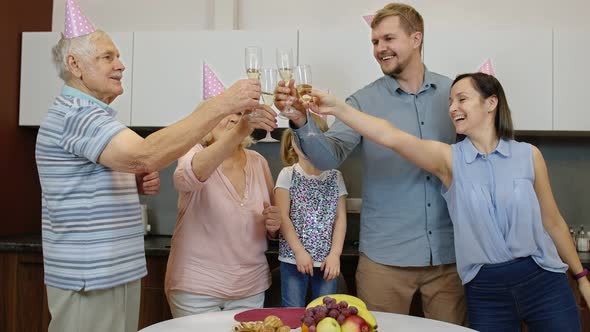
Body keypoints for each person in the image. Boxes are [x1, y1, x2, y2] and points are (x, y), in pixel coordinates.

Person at [36, 4, 276, 330]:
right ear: (75, 65)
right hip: (89, 276)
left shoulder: (97, 118)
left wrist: (127, 181)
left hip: (111, 271)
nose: (121, 65)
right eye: (107, 57)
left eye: (118, 56)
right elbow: (145, 155)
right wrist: (223, 104)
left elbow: (130, 162)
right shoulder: (77, 114)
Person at [303, 72, 590, 331]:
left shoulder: (529, 156)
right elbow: (391, 137)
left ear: (491, 103)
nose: (453, 108)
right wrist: (337, 107)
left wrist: (582, 278)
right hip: (486, 290)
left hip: (543, 280)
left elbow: (552, 222)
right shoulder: (450, 160)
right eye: (450, 101)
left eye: (462, 99)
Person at [275, 2, 466, 324]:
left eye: (388, 39)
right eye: (375, 42)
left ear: (416, 38)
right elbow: (326, 158)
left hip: (450, 258)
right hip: (384, 262)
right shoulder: (361, 102)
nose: (380, 49)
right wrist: (300, 120)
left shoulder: (454, 95)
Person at [165, 107, 282, 317]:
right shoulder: (193, 154)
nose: (233, 119)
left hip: (250, 288)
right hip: (196, 288)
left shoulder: (258, 162)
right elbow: (185, 178)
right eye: (224, 112)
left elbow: (271, 222)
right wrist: (237, 132)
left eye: (239, 114)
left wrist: (274, 226)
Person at [275, 115, 348, 307]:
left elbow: (340, 219)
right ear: (292, 142)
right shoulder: (287, 174)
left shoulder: (335, 176)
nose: (306, 144)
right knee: (292, 311)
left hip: (327, 262)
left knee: (325, 313)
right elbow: (283, 216)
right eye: (301, 138)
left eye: (313, 139)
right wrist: (299, 251)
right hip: (293, 260)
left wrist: (335, 255)